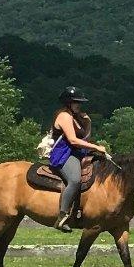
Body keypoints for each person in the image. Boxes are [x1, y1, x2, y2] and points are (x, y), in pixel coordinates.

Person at [47, 87, 108, 230]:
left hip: (78, 153)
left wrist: (88, 123)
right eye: (76, 102)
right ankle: (62, 216)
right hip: (64, 154)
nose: (79, 105)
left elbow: (85, 138)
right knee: (75, 180)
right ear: (68, 103)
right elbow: (73, 140)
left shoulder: (76, 118)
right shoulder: (64, 116)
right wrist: (96, 147)